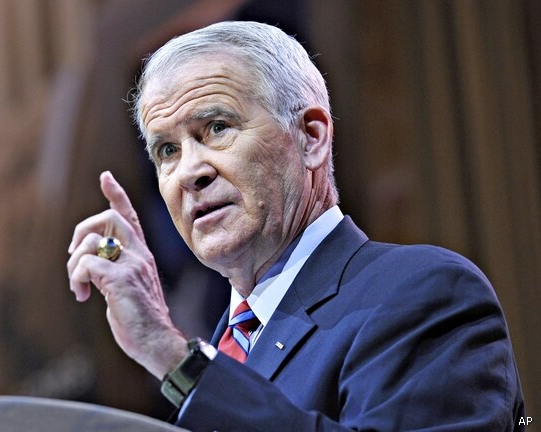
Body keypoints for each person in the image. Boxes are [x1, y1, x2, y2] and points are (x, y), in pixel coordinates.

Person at [67, 21, 525, 431]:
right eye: (167, 150)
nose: (189, 171)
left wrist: (168, 352)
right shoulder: (221, 354)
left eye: (218, 127)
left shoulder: (424, 294)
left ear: (311, 137)